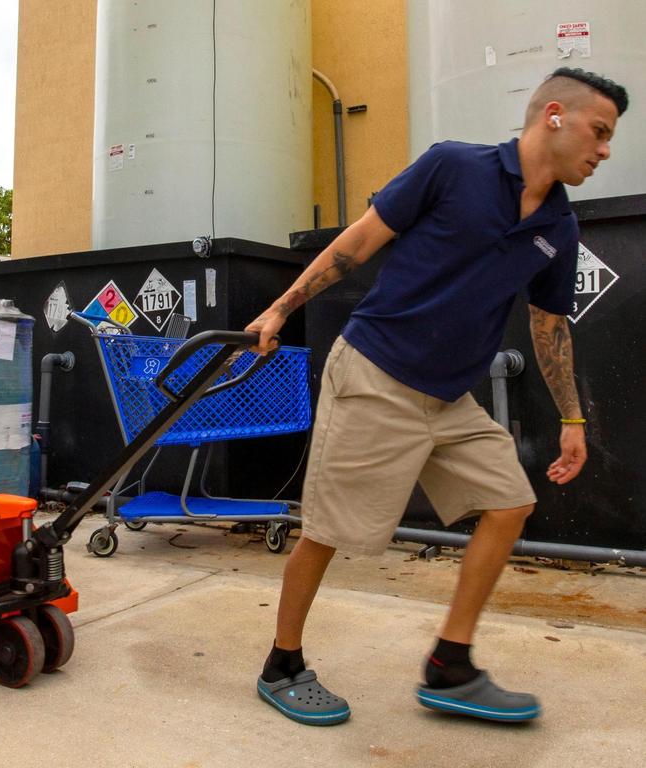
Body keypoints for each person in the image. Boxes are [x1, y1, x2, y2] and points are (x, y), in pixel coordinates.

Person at [245, 67, 628, 725]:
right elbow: (359, 241)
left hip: (450, 397)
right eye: (600, 132)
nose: (604, 150)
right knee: (330, 532)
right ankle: (282, 662)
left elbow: (549, 324)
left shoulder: (559, 227)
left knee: (510, 502)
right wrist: (280, 308)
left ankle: (450, 664)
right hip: (375, 375)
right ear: (554, 115)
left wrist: (571, 416)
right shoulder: (454, 167)